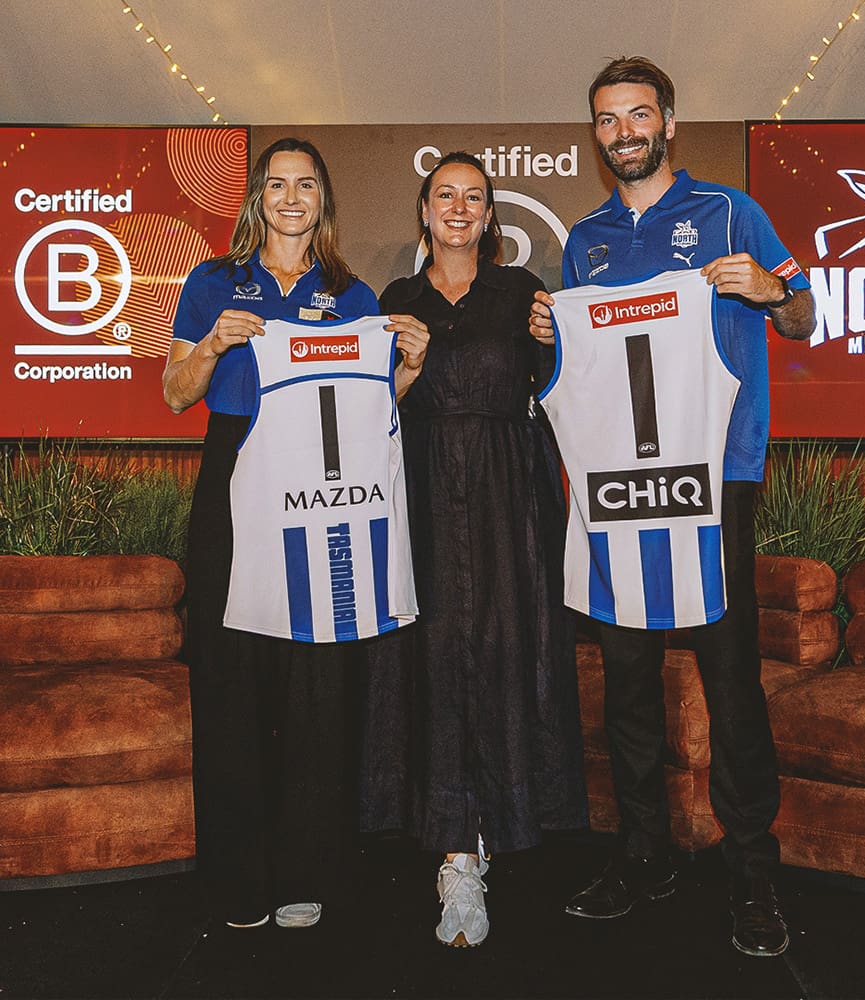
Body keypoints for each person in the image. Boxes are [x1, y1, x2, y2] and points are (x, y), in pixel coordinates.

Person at [529, 57, 816, 958]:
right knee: (626, 680)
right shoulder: (586, 240)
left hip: (715, 477)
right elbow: (576, 370)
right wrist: (551, 332)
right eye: (608, 120)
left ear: (670, 123)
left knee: (729, 679)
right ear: (597, 133)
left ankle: (751, 871)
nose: (624, 132)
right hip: (618, 488)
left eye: (638, 115)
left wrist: (774, 293)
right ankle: (642, 853)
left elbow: (805, 316)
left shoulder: (732, 212)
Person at [163, 137, 427, 930]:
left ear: (323, 201)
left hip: (323, 491)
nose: (290, 197)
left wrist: (408, 367)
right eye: (276, 184)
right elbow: (176, 392)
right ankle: (241, 874)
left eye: (305, 184)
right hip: (234, 477)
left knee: (318, 680)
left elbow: (376, 410)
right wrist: (213, 344)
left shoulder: (350, 295)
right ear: (257, 198)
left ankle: (309, 868)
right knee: (231, 678)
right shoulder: (212, 280)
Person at [360, 151, 588, 948]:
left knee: (503, 649)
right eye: (445, 196)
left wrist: (557, 341)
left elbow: (569, 386)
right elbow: (363, 410)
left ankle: (497, 825)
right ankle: (455, 854)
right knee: (431, 654)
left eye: (475, 199)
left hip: (507, 499)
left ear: (491, 217)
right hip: (419, 496)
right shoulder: (395, 300)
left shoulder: (524, 295)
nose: (460, 209)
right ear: (424, 212)